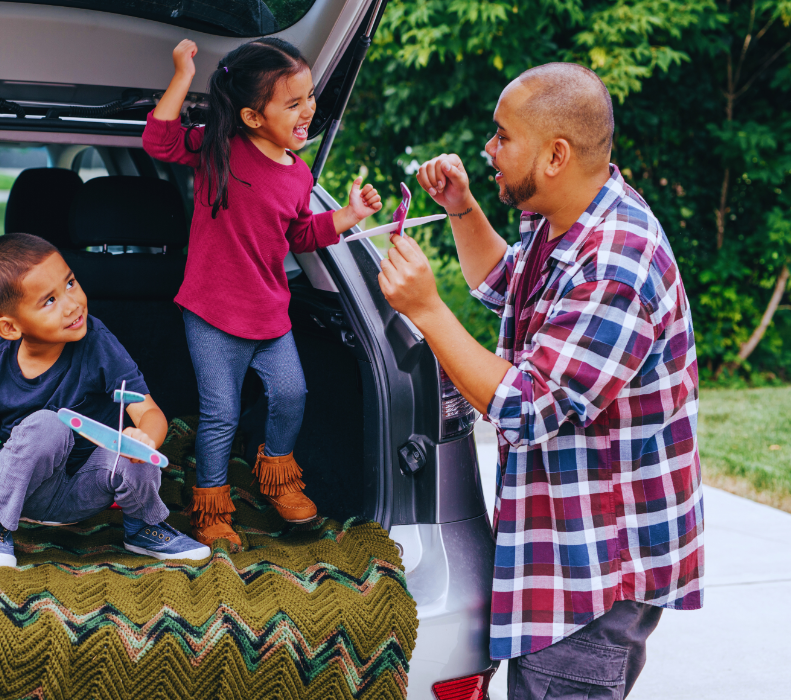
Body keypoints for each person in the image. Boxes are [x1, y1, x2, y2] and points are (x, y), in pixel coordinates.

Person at [376, 63, 705, 698]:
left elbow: (526, 408)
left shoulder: (617, 262)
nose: (486, 150)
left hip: (593, 574)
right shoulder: (562, 215)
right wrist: (463, 208)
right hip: (560, 548)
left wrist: (426, 310)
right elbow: (510, 288)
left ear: (555, 155)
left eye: (502, 137)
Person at [144, 38, 382, 547]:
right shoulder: (218, 150)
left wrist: (350, 216)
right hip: (210, 311)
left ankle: (277, 479)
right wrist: (182, 74)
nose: (309, 111)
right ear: (253, 117)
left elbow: (299, 235)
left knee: (292, 394)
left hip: (269, 310)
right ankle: (209, 506)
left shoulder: (298, 174)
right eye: (294, 103)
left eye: (311, 96)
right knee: (221, 413)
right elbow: (160, 142)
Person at [0, 233, 209, 566]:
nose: (72, 304)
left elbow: (148, 410)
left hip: (89, 488)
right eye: (49, 301)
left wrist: (145, 439)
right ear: (10, 328)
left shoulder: (97, 341)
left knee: (134, 449)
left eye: (71, 283)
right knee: (49, 423)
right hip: (25, 494)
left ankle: (142, 527)